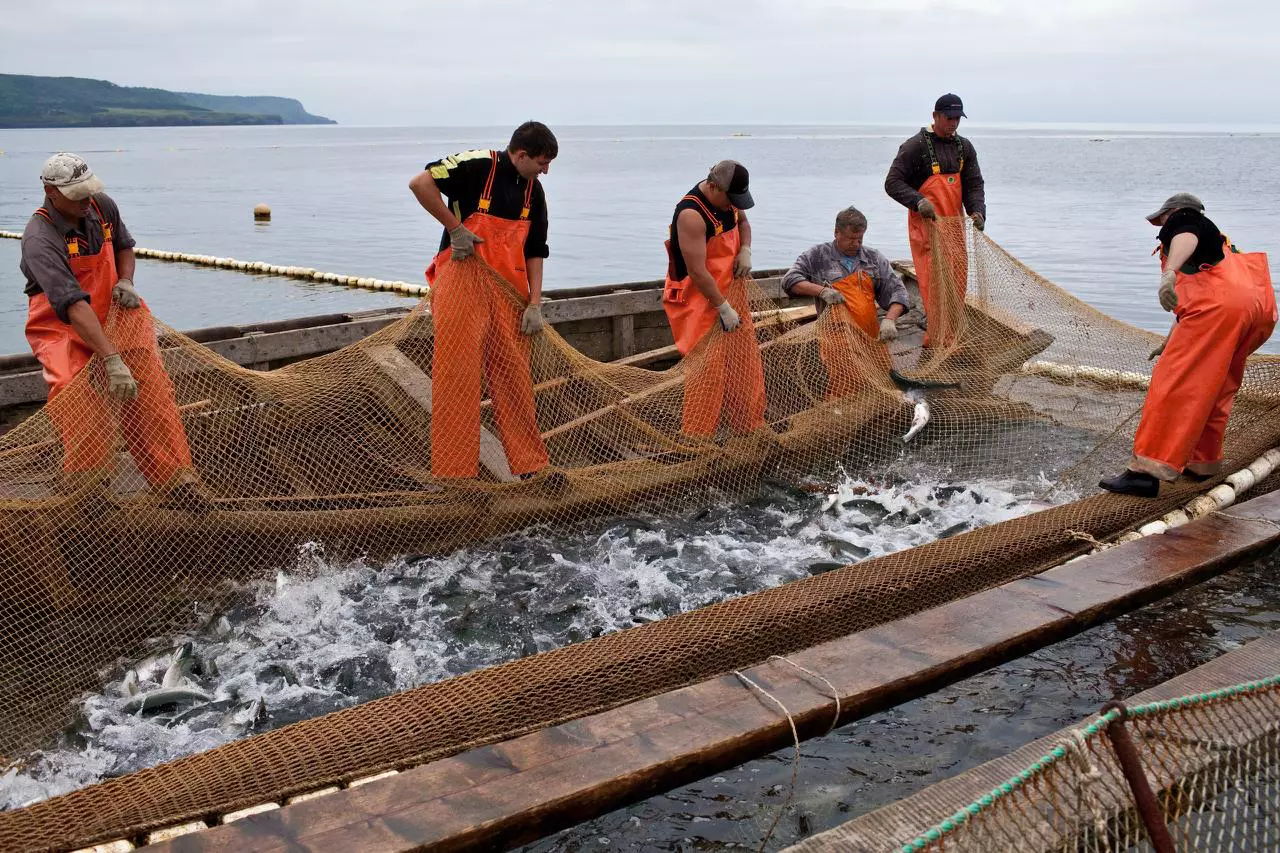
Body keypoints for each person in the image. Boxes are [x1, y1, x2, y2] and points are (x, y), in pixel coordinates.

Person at [20, 153, 206, 507]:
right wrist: (111, 358)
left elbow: (124, 246)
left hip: (119, 311)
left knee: (151, 393)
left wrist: (125, 280)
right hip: (62, 325)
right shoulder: (39, 238)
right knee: (78, 401)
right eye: (78, 196)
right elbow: (73, 305)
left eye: (89, 192)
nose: (87, 201)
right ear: (51, 192)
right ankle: (88, 491)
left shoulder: (101, 206)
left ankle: (175, 483)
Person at [408, 122, 562, 487]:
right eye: (542, 162)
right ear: (520, 154)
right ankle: (456, 474)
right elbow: (420, 183)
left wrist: (535, 304)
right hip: (462, 286)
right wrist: (455, 229)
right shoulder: (478, 165)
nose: (546, 171)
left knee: (515, 378)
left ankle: (530, 466)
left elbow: (535, 251)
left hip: (509, 294)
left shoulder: (533, 192)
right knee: (457, 378)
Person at [1100, 193, 1276, 497]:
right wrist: (1170, 340)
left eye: (1161, 220)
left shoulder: (1186, 221)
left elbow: (1185, 236)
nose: (1161, 227)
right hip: (1255, 310)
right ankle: (1202, 463)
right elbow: (1198, 299)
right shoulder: (1218, 240)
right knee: (1217, 385)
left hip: (1219, 311)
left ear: (1173, 212)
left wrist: (1169, 272)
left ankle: (1146, 473)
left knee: (1173, 385)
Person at [661, 160, 767, 438]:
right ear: (714, 186)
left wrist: (746, 248)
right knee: (706, 371)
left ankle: (748, 427)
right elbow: (697, 272)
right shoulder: (691, 215)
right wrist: (722, 306)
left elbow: (743, 222)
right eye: (731, 199)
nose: (735, 204)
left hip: (731, 291)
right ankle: (698, 438)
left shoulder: (730, 200)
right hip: (697, 298)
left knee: (742, 360)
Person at [885, 94, 986, 346]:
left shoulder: (964, 147)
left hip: (954, 226)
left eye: (957, 119)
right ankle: (937, 338)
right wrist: (918, 201)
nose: (953, 123)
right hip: (926, 227)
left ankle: (950, 335)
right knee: (934, 283)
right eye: (949, 118)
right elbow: (893, 183)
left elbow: (974, 184)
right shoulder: (915, 146)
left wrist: (978, 210)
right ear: (935, 116)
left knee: (957, 280)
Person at [781, 206, 910, 399]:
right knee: (845, 387)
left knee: (881, 382)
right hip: (836, 336)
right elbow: (790, 280)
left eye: (860, 239)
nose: (856, 244)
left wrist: (890, 319)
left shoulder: (873, 258)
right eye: (851, 238)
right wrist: (822, 291)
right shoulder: (817, 256)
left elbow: (898, 291)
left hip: (871, 336)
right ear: (836, 232)